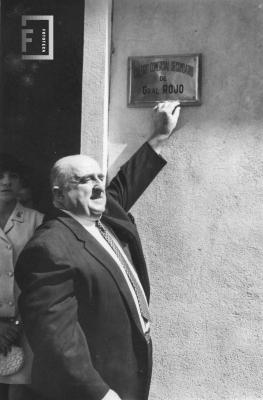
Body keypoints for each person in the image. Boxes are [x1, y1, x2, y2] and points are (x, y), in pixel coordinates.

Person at [15, 101, 181, 400]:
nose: (98, 187)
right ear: (59, 194)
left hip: (128, 372)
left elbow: (123, 187)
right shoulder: (48, 248)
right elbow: (56, 339)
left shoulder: (102, 218)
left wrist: (158, 136)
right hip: (94, 389)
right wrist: (100, 394)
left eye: (99, 177)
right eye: (84, 180)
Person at [0, 154, 44, 400]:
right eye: (0, 176)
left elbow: (40, 281)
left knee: (19, 394)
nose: (6, 182)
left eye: (12, 176)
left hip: (24, 327)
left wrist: (16, 324)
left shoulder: (37, 221)